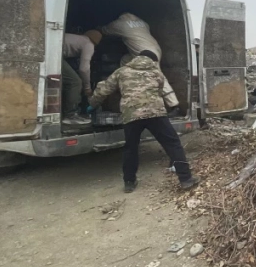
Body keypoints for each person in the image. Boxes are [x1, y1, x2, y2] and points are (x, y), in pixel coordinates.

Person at [88, 50, 198, 193]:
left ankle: (129, 182)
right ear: (152, 61)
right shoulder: (157, 73)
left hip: (132, 114)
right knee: (173, 144)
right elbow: (159, 91)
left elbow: (104, 89)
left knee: (131, 148)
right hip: (156, 113)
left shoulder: (121, 71)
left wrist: (92, 104)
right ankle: (186, 179)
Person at [101, 13, 181, 114]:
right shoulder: (143, 23)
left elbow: (106, 30)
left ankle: (174, 105)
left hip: (146, 53)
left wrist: (98, 29)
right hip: (155, 48)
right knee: (125, 60)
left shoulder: (121, 24)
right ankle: (124, 84)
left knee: (158, 75)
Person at [61, 32, 97, 125]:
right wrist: (87, 88)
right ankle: (70, 115)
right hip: (54, 53)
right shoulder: (89, 44)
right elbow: (84, 69)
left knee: (71, 79)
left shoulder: (80, 39)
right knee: (75, 82)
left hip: (52, 49)